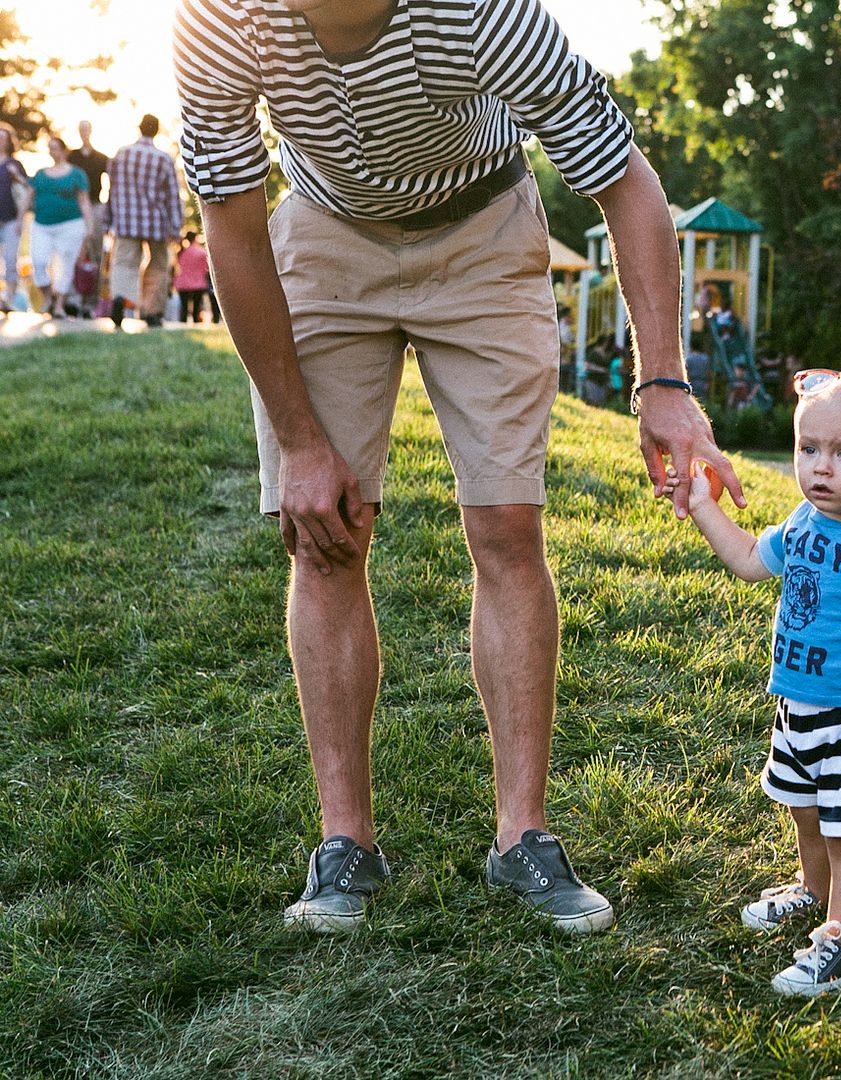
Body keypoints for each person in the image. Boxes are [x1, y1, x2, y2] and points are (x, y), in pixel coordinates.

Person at [174, 0, 743, 934]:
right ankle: (344, 845)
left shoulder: (482, 14)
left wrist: (664, 383)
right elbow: (232, 227)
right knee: (323, 536)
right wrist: (302, 439)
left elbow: (626, 183)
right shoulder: (218, 17)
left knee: (508, 526)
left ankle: (524, 838)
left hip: (482, 230)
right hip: (323, 232)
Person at [682, 368, 841, 996]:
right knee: (805, 812)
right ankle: (813, 891)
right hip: (798, 709)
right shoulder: (802, 523)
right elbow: (748, 560)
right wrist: (701, 507)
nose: (822, 468)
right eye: (809, 449)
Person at [107, 114, 183, 329]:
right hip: (156, 222)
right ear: (156, 131)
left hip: (125, 220)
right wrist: (175, 226)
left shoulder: (121, 154)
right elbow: (172, 195)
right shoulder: (163, 158)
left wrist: (108, 220)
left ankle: (121, 297)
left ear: (140, 129)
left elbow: (112, 190)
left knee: (123, 262)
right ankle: (152, 311)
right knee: (158, 265)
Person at [28, 136, 94, 320]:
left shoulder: (76, 174)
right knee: (39, 262)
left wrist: (89, 226)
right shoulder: (40, 174)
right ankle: (48, 296)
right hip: (42, 224)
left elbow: (84, 201)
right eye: (50, 148)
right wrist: (19, 219)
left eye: (56, 148)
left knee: (66, 265)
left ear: (64, 150)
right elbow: (29, 196)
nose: (52, 151)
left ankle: (58, 306)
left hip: (71, 224)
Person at [0, 123, 29, 314]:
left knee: (11, 259)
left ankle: (8, 298)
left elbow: (27, 191)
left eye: (3, 137)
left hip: (11, 219)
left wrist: (20, 220)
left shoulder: (15, 164)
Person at [68, 121, 110, 241]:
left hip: (95, 203)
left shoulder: (101, 158)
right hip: (76, 204)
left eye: (86, 129)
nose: (84, 132)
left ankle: (95, 260)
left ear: (90, 131)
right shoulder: (72, 156)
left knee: (96, 239)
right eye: (81, 129)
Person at [173, 231, 212, 323]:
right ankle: (195, 321)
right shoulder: (201, 252)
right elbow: (206, 268)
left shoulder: (180, 252)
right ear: (195, 239)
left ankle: (183, 323)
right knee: (196, 307)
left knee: (184, 307)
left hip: (182, 283)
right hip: (198, 283)